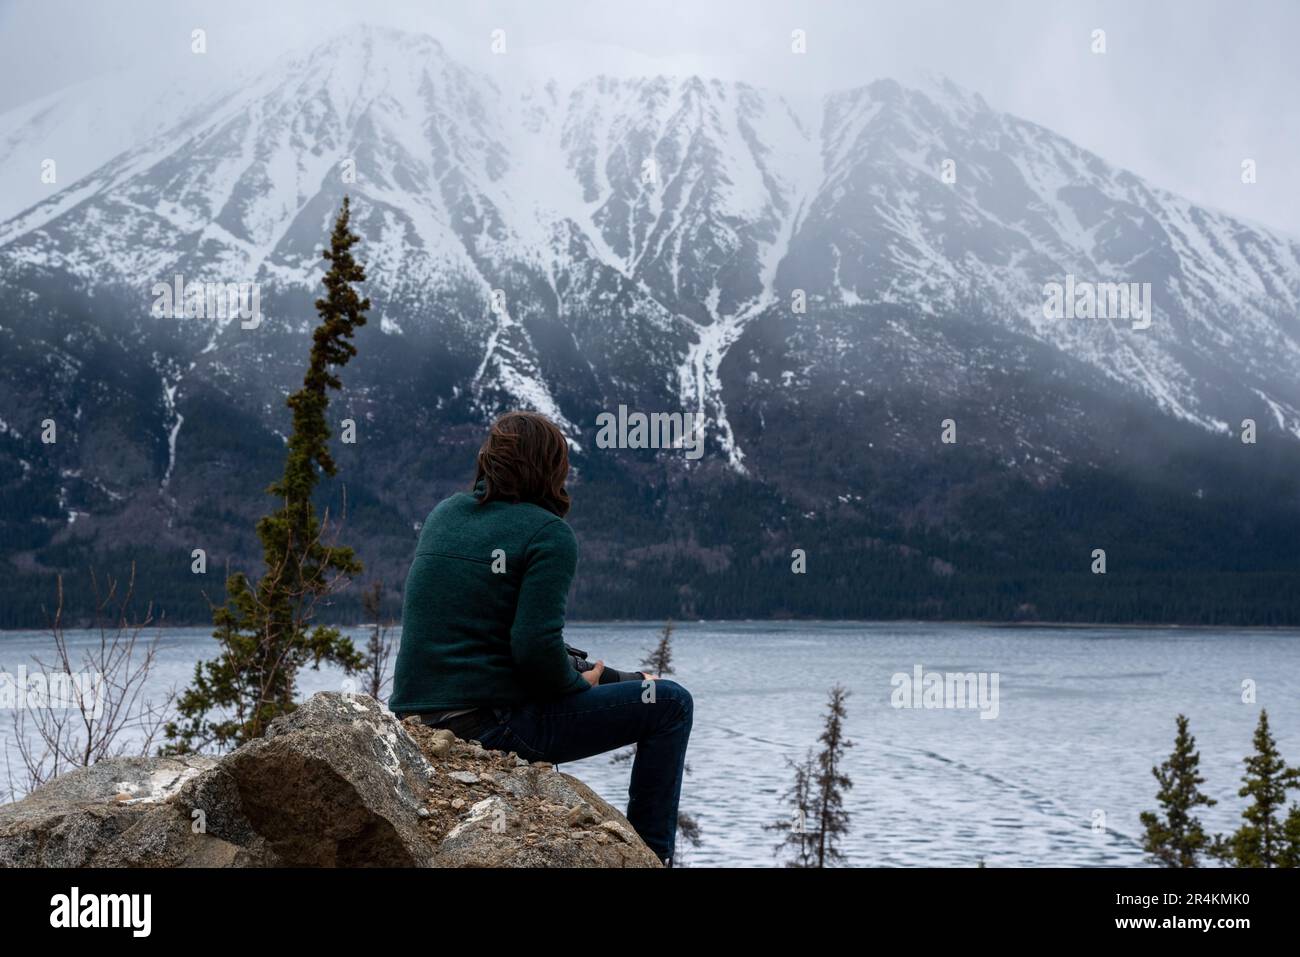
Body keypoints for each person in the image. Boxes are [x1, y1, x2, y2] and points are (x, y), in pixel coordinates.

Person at [389, 410, 693, 865]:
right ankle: (651, 856)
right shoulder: (549, 534)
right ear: (551, 468)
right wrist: (579, 684)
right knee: (670, 704)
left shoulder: (445, 514)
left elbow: (501, 641)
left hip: (416, 717)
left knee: (638, 686)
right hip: (486, 724)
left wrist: (612, 677)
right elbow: (532, 650)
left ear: (488, 460)